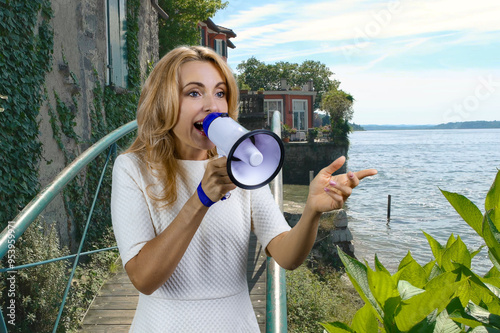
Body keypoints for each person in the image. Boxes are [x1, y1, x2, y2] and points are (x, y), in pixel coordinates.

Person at [111, 45, 377, 332]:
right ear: (163, 102)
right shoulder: (132, 169)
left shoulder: (241, 163)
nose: (212, 106)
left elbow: (286, 255)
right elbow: (143, 278)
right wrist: (201, 198)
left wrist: (312, 211)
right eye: (194, 93)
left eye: (220, 93)